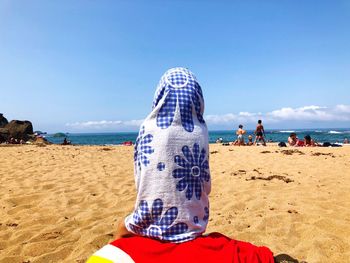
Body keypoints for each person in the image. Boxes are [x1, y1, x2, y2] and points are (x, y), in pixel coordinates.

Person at [105, 68, 297, 263]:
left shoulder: (147, 128)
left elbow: (143, 180)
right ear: (198, 99)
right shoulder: (200, 130)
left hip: (146, 222)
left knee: (117, 240)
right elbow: (205, 185)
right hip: (193, 226)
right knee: (260, 256)